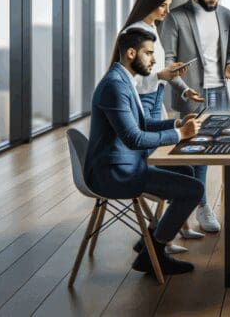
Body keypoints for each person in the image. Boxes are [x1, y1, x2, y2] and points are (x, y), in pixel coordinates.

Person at [85, 27, 204, 276]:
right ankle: (154, 254)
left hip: (123, 165)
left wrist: (176, 125)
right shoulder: (115, 87)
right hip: (115, 173)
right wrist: (180, 136)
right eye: (149, 53)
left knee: (187, 171)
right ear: (131, 53)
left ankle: (149, 240)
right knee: (195, 189)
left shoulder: (124, 80)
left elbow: (138, 125)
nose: (153, 60)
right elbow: (133, 138)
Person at [108, 0, 207, 247]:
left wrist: (185, 90)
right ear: (150, 3)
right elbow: (137, 78)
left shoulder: (152, 28)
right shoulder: (135, 32)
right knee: (167, 162)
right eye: (163, 6)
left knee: (177, 163)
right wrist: (162, 75)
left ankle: (176, 228)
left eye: (168, 6)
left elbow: (159, 70)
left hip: (155, 98)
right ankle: (162, 234)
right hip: (144, 99)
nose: (166, 11)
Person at [161, 0, 230, 235]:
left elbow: (227, 54)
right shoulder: (175, 17)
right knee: (193, 153)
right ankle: (200, 206)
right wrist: (184, 89)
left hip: (220, 92)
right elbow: (168, 62)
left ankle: (193, 207)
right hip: (190, 95)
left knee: (212, 152)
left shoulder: (226, 15)